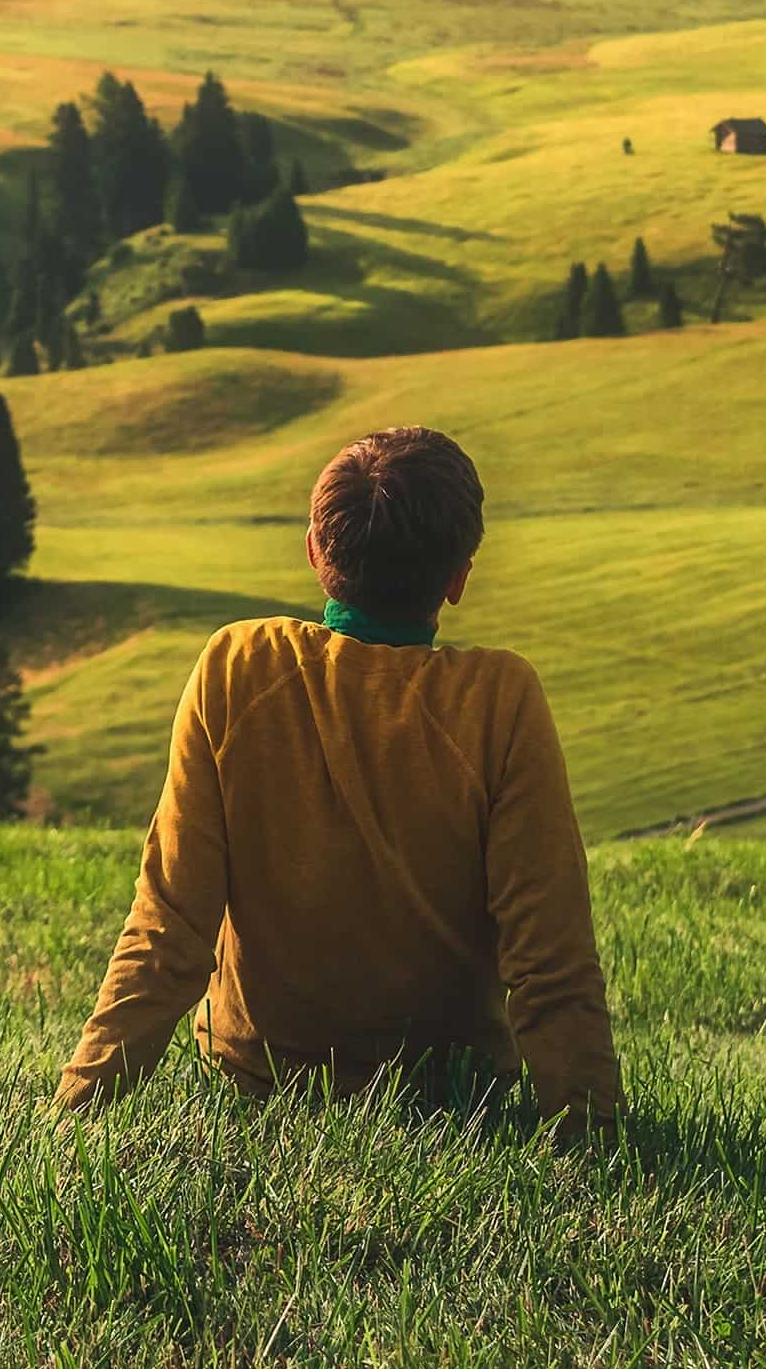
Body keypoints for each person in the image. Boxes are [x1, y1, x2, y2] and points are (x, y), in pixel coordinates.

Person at [53, 426, 619, 1122]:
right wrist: (596, 1134)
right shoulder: (499, 700)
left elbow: (168, 927)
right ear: (459, 577)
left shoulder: (237, 668)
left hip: (257, 1083)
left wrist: (73, 1112)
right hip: (452, 1098)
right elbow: (550, 957)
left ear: (317, 554)